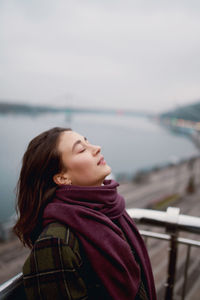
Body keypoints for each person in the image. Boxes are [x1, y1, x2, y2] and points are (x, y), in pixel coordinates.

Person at [14, 127, 156, 300]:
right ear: (62, 178)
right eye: (81, 149)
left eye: (88, 142)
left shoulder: (112, 212)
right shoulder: (54, 244)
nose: (97, 148)